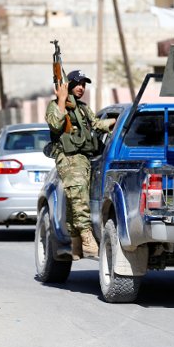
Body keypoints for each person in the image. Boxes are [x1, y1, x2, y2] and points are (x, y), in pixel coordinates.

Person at [45, 70, 116, 260]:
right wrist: (61, 99)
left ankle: (75, 244)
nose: (81, 88)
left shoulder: (83, 108)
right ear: (67, 85)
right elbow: (55, 125)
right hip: (68, 158)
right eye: (77, 84)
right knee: (79, 199)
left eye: (84, 84)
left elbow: (95, 124)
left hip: (83, 159)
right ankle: (87, 240)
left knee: (73, 200)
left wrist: (114, 124)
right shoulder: (55, 106)